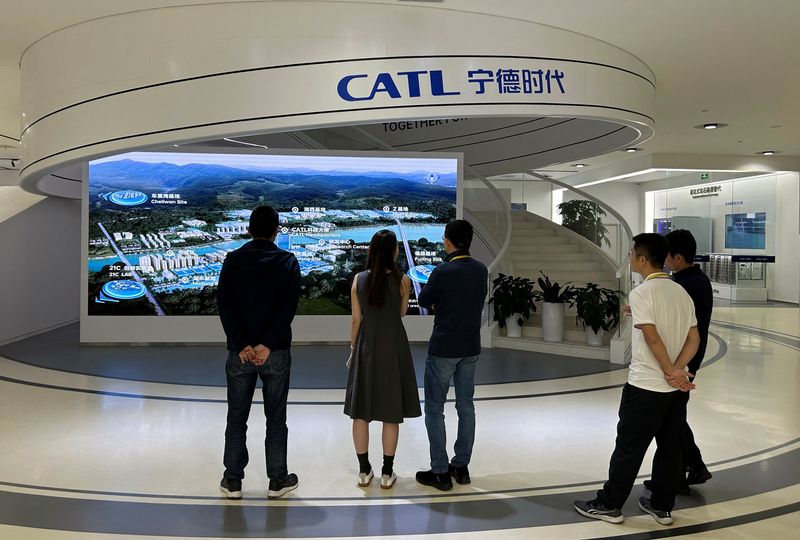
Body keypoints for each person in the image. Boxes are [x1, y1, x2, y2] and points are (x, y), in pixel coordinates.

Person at [574, 233, 700, 526]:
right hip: (674, 390)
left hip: (645, 386)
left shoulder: (642, 292)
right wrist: (678, 371)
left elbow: (653, 338)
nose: (629, 257)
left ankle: (609, 504)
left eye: (631, 253)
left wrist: (669, 368)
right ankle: (662, 506)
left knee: (628, 447)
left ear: (643, 259)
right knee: (670, 449)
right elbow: (694, 337)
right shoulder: (680, 292)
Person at [216, 205, 301, 500]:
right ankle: (277, 479)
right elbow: (288, 307)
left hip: (239, 354)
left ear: (249, 229)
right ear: (276, 230)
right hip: (275, 352)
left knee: (237, 416)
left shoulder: (232, 260)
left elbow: (224, 306)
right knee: (276, 417)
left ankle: (232, 480)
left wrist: (242, 344)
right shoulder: (287, 261)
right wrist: (267, 343)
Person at [344, 229, 421, 489]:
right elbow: (401, 313)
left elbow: (356, 319)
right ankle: (388, 473)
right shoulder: (403, 281)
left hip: (366, 346)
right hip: (394, 346)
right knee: (391, 412)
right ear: (393, 251)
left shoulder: (358, 279)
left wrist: (353, 348)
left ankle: (364, 471)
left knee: (361, 412)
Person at [415, 219, 488, 491]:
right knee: (466, 406)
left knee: (435, 408)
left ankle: (440, 472)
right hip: (470, 348)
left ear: (447, 240)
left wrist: (439, 301)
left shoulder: (442, 271)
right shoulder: (481, 270)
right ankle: (461, 466)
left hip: (444, 347)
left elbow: (423, 300)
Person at [665, 229, 714, 487]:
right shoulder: (699, 280)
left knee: (673, 419)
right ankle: (688, 469)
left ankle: (689, 468)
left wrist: (677, 365)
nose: (665, 261)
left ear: (679, 257)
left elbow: (682, 328)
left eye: (668, 256)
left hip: (682, 361)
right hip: (688, 360)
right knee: (674, 417)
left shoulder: (685, 285)